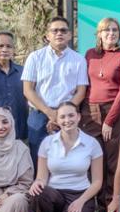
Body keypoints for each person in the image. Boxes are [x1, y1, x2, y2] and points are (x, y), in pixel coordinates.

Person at [82, 17, 120, 212]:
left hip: (116, 111)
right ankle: (98, 209)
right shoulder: (90, 55)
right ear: (99, 34)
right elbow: (85, 85)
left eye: (114, 30)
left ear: (119, 35)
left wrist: (110, 120)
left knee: (114, 162)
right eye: (106, 30)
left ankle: (112, 209)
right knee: (95, 162)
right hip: (90, 112)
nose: (110, 33)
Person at [29, 102, 103, 212]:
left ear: (79, 117)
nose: (67, 120)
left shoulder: (91, 143)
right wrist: (38, 182)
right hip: (55, 194)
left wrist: (81, 201)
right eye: (62, 117)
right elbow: (42, 177)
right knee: (38, 192)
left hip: (80, 194)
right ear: (57, 120)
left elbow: (97, 181)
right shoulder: (47, 142)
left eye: (71, 115)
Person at [22, 16, 88, 165]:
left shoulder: (79, 60)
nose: (59, 34)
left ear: (70, 35)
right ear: (47, 35)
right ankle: (39, 188)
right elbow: (28, 90)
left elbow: (81, 92)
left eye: (63, 30)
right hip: (39, 115)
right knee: (37, 157)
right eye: (55, 30)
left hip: (67, 117)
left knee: (65, 158)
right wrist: (50, 113)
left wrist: (61, 115)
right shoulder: (35, 57)